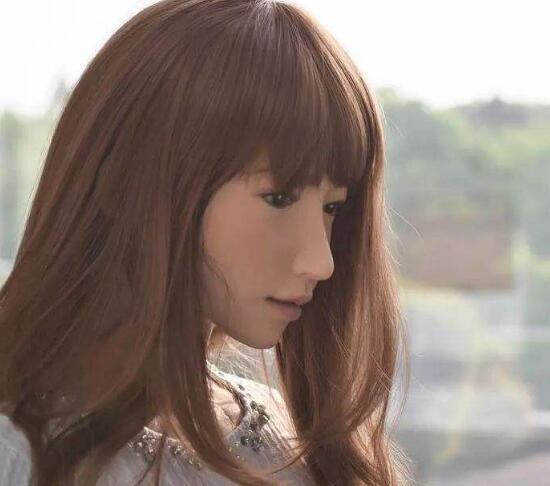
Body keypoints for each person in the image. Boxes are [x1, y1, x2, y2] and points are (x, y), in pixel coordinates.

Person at [0, 0, 413, 484]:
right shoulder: (18, 449)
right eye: (279, 198)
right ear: (132, 184)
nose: (321, 262)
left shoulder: (289, 439)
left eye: (333, 208)